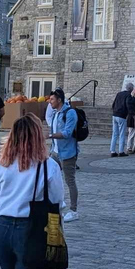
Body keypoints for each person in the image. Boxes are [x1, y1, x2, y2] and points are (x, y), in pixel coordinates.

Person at [0, 114, 65, 269]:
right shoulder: (49, 166)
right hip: (30, 231)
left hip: (2, 231)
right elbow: (57, 202)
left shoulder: (2, 165)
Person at [46, 88, 79, 223]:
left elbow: (67, 133)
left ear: (59, 100)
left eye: (52, 99)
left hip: (68, 152)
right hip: (55, 152)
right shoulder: (55, 113)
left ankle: (74, 210)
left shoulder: (70, 113)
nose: (50, 101)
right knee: (48, 176)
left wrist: (49, 136)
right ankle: (57, 201)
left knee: (70, 180)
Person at [111, 82, 133, 157]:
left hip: (115, 114)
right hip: (121, 115)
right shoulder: (128, 95)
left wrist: (114, 110)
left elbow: (113, 104)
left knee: (114, 134)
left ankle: (112, 151)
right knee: (122, 134)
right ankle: (121, 151)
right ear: (131, 89)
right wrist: (132, 113)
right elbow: (128, 105)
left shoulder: (119, 93)